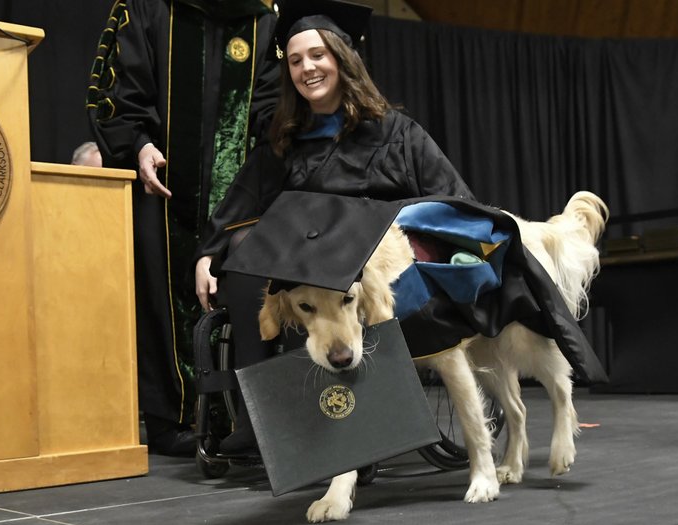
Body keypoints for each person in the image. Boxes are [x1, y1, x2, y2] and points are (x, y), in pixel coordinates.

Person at [193, 0, 475, 454]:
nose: (307, 68)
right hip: (310, 271)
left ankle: (340, 423)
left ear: (343, 58)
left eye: (318, 55)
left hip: (377, 269)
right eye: (297, 60)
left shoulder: (396, 133)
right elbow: (242, 202)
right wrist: (209, 253)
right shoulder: (286, 139)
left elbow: (451, 202)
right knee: (245, 250)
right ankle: (259, 417)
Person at [86, 0, 280, 456]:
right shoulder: (147, 7)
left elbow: (276, 105)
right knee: (162, 295)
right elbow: (116, 92)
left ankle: (246, 418)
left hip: (242, 198)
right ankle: (172, 419)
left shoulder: (264, 18)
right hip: (163, 188)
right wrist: (138, 144)